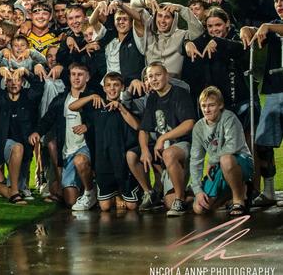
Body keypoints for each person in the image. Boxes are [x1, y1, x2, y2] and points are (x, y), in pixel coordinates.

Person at [130, 62, 196, 216]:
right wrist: (145, 150)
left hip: (182, 145)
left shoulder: (180, 93)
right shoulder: (153, 98)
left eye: (158, 75)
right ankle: (151, 193)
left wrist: (163, 138)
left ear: (167, 76)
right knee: (131, 156)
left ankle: (181, 199)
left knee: (169, 154)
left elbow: (189, 123)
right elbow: (143, 130)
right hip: (163, 149)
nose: (154, 79)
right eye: (150, 76)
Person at [69, 72, 141, 211]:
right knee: (105, 207)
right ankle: (112, 195)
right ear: (104, 88)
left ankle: (126, 194)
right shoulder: (97, 104)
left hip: (122, 162)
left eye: (116, 85)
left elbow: (137, 126)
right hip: (103, 163)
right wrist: (92, 96)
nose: (112, 89)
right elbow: (72, 107)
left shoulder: (127, 105)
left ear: (122, 87)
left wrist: (120, 108)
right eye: (108, 85)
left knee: (132, 206)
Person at [29, 63, 97, 210]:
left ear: (87, 77)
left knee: (80, 161)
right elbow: (47, 118)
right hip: (67, 151)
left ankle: (90, 191)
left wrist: (88, 126)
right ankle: (79, 186)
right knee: (70, 201)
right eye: (73, 74)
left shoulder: (93, 97)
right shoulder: (61, 99)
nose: (76, 78)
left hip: (86, 148)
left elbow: (101, 120)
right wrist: (37, 132)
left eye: (80, 74)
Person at [240, 0, 283, 206]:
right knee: (263, 142)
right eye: (276, 1)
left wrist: (268, 26)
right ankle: (268, 192)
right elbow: (256, 31)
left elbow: (274, 28)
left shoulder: (274, 26)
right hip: (275, 90)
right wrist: (246, 29)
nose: (280, 4)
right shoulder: (272, 25)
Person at [190, 86, 253, 216]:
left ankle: (238, 200)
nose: (207, 109)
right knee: (200, 208)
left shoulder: (229, 118)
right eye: (203, 106)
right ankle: (236, 192)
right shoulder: (198, 127)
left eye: (211, 105)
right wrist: (197, 191)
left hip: (241, 161)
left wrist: (212, 160)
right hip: (218, 167)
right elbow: (196, 159)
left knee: (226, 159)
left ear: (220, 105)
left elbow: (232, 146)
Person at [0, 66, 43, 205]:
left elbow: (39, 86)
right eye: (10, 80)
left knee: (18, 181)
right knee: (17, 148)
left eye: (17, 80)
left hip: (25, 144)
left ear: (22, 82)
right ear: (5, 83)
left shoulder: (28, 96)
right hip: (3, 143)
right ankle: (14, 192)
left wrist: (26, 71)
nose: (14, 83)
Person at [130, 0, 204, 78]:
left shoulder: (182, 35)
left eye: (167, 17)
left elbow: (199, 31)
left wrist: (181, 9)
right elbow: (133, 6)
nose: (162, 21)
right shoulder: (149, 34)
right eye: (160, 16)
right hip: (151, 85)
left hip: (174, 86)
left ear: (174, 20)